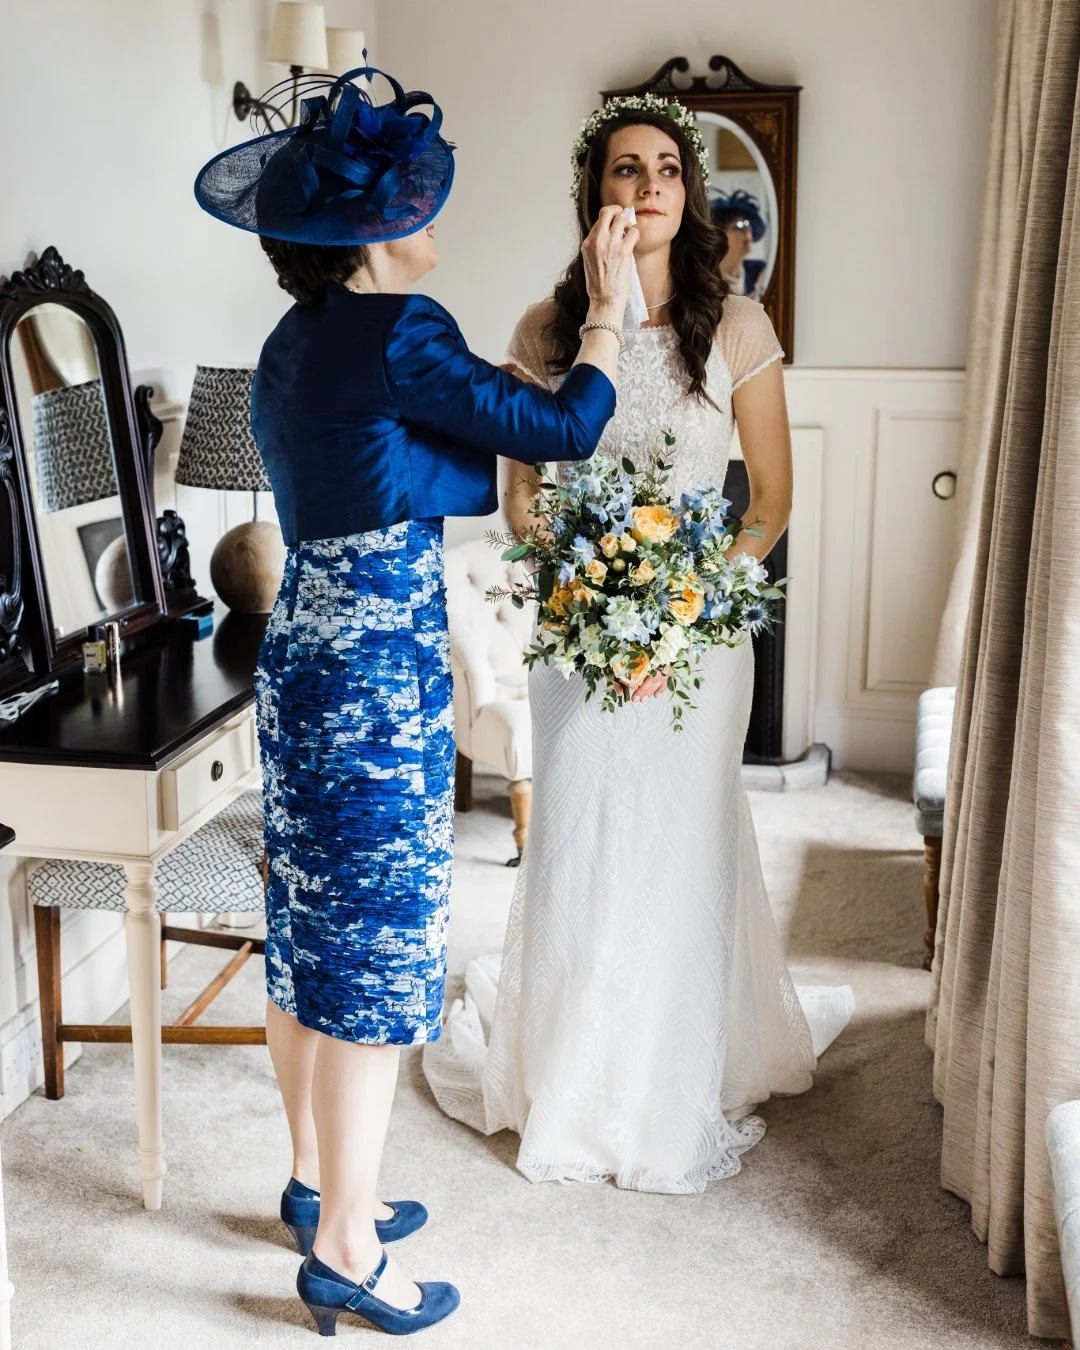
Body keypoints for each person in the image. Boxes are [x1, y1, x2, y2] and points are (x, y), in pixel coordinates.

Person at [193, 64, 635, 1333]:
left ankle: (312, 1181)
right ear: (377, 229)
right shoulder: (405, 330)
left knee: (308, 936)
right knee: (380, 959)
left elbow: (428, 437)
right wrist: (605, 310)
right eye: (413, 197)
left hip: (303, 657)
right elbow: (564, 427)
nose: (431, 212)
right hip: (377, 672)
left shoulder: (293, 346)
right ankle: (344, 1249)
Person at [423, 96, 853, 1194]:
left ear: (689, 196)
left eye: (667, 169)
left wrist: (684, 610)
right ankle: (573, 1069)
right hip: (579, 632)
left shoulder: (740, 327)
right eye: (626, 169)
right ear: (595, 196)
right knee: (582, 837)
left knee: (681, 839)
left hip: (699, 638)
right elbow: (521, 501)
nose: (648, 186)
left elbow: (771, 499)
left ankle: (677, 1064)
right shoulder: (544, 328)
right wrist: (584, 584)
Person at [711, 189, 768, 299]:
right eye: (739, 226)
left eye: (748, 225)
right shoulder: (705, 278)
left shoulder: (759, 272)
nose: (748, 232)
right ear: (720, 234)